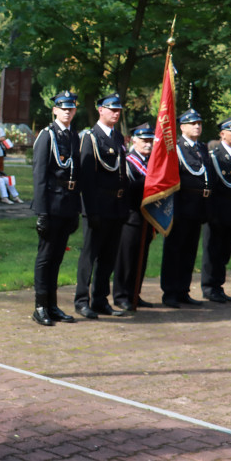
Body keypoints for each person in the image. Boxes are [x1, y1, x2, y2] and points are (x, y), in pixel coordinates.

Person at [73, 93, 130, 319]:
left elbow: (121, 173)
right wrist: (90, 209)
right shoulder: (91, 137)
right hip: (97, 205)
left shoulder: (117, 137)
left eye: (118, 110)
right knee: (89, 255)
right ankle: (81, 300)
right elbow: (86, 178)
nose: (116, 113)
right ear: (100, 110)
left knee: (108, 257)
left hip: (116, 206)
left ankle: (100, 299)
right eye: (111, 109)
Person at [30, 91, 82, 326]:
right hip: (51, 205)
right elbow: (39, 176)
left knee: (58, 257)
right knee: (45, 257)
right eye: (63, 108)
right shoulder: (47, 136)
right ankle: (40, 306)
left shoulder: (73, 136)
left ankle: (52, 305)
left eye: (71, 108)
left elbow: (76, 174)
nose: (67, 112)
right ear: (55, 110)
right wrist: (41, 212)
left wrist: (76, 210)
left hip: (67, 204)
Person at [160, 109, 208, 308]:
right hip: (180, 207)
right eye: (192, 123)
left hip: (197, 208)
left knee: (189, 251)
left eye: (199, 123)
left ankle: (183, 290)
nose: (197, 126)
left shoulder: (202, 149)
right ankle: (170, 292)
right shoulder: (176, 147)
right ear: (182, 127)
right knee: (174, 251)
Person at [200, 117, 231, 303]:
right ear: (222, 134)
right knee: (213, 250)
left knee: (225, 250)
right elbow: (211, 185)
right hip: (218, 209)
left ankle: (218, 285)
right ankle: (209, 287)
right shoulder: (214, 155)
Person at [112, 124, 155, 311]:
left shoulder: (152, 163)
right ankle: (121, 295)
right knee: (126, 258)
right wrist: (151, 181)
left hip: (147, 217)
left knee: (141, 257)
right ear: (134, 140)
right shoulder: (129, 161)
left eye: (150, 140)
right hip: (131, 216)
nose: (148, 144)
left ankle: (134, 293)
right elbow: (129, 186)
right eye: (144, 140)